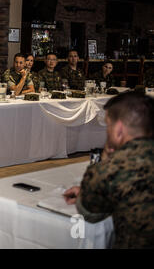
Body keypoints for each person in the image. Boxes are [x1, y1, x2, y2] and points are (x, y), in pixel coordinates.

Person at [63, 92, 154, 248]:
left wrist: (104, 161)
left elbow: (89, 213)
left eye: (108, 125)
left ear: (119, 130)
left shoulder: (113, 168)